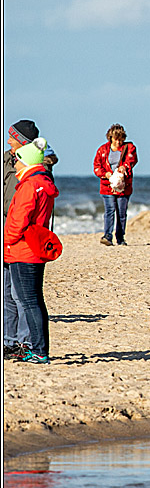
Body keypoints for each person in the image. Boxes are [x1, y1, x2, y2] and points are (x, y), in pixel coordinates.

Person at [4, 138, 59, 364]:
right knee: (34, 300)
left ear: (26, 162)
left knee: (29, 301)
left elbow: (18, 220)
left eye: (17, 161)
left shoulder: (29, 185)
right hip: (31, 248)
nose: (15, 164)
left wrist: (6, 242)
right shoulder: (41, 182)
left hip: (23, 250)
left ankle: (38, 350)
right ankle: (38, 348)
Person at [4, 120, 44, 360]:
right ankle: (8, 341)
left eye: (12, 137)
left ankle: (26, 343)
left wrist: (8, 240)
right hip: (8, 231)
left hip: (20, 240)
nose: (8, 141)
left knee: (24, 297)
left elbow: (25, 214)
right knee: (7, 291)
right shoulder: (6, 160)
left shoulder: (33, 175)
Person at [93, 123, 138, 247]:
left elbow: (132, 160)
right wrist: (105, 174)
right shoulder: (102, 150)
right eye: (116, 139)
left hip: (124, 186)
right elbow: (96, 166)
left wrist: (124, 167)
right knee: (110, 210)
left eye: (121, 139)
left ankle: (120, 237)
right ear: (110, 138)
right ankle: (107, 235)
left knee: (121, 213)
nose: (118, 142)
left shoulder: (129, 148)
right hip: (107, 186)